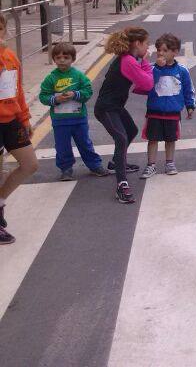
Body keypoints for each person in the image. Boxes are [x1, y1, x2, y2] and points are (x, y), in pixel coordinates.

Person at [94, 27, 153, 204]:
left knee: (131, 131)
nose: (148, 47)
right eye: (146, 43)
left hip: (115, 106)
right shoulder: (128, 61)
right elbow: (147, 83)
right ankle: (122, 184)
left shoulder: (128, 58)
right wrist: (145, 62)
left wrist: (141, 61)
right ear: (137, 43)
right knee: (121, 138)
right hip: (106, 108)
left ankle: (115, 163)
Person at [39, 42, 106, 181]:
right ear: (54, 60)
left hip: (78, 119)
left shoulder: (79, 76)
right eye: (58, 58)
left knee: (85, 143)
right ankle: (66, 169)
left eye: (66, 57)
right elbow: (43, 96)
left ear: (72, 59)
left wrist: (75, 94)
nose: (62, 60)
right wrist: (56, 99)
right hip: (60, 120)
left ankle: (94, 165)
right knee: (62, 146)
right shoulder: (50, 78)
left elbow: (88, 91)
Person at [0, 14, 39, 244]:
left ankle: (1, 202)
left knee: (30, 164)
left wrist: (25, 119)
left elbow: (18, 90)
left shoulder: (10, 56)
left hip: (12, 120)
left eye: (0, 28)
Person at [141, 33, 196, 178]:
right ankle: (150, 165)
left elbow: (188, 89)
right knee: (152, 139)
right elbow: (147, 83)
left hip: (172, 112)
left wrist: (190, 106)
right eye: (159, 50)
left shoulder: (182, 70)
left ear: (175, 52)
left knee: (171, 139)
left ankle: (169, 162)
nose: (160, 53)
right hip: (154, 110)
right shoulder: (152, 69)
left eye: (165, 50)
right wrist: (158, 68)